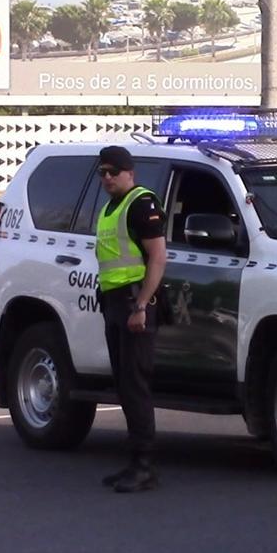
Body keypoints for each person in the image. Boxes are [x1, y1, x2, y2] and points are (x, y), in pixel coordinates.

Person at [94, 146, 167, 494]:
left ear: (130, 173)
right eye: (102, 172)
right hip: (114, 303)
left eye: (114, 171)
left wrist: (141, 305)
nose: (107, 177)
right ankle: (133, 462)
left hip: (134, 304)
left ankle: (145, 466)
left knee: (136, 386)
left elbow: (157, 258)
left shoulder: (141, 203)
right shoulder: (111, 208)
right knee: (124, 385)